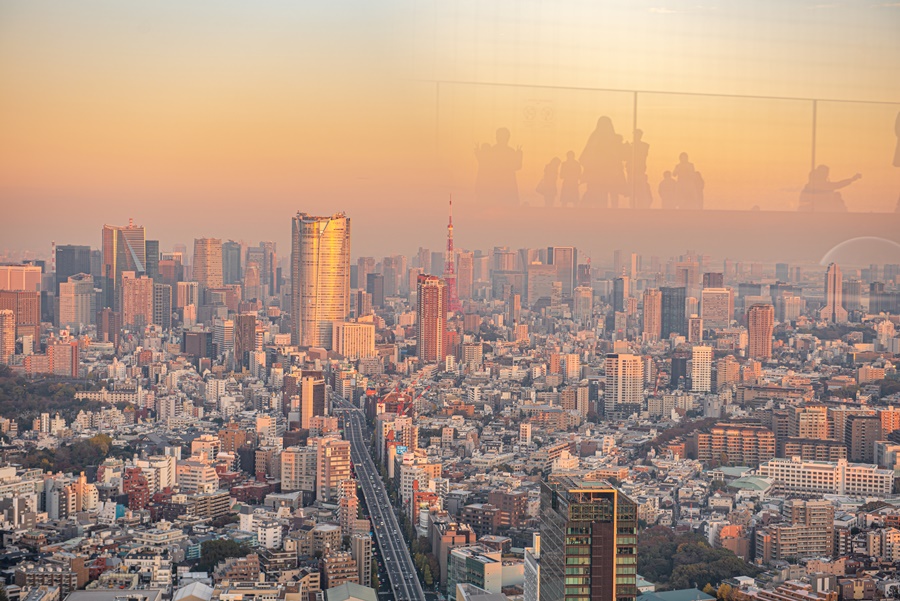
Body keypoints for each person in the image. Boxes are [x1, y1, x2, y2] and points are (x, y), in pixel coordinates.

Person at [579, 116, 624, 208]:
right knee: (598, 194)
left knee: (602, 194)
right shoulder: (599, 137)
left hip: (605, 173)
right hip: (599, 173)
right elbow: (587, 154)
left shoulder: (598, 137)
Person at [625, 129, 652, 209]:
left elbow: (642, 155)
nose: (635, 137)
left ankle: (640, 207)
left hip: (639, 171)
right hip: (631, 171)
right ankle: (632, 207)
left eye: (636, 135)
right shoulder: (632, 146)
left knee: (640, 191)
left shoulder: (644, 146)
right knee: (632, 192)